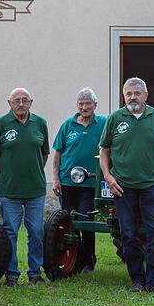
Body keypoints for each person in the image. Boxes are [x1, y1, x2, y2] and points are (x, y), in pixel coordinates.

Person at [98, 77, 154, 297]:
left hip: (152, 185)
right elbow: (104, 150)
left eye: (137, 93)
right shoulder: (115, 118)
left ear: (146, 95)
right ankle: (137, 281)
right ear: (124, 96)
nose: (133, 97)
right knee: (129, 235)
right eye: (129, 94)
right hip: (123, 187)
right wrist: (108, 176)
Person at [0, 87, 50, 286]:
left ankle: (35, 273)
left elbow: (44, 154)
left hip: (36, 190)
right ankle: (12, 275)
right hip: (10, 190)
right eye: (17, 100)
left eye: (25, 100)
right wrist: (5, 174)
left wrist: (33, 172)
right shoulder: (1, 124)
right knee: (9, 233)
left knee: (36, 233)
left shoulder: (40, 123)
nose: (21, 104)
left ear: (31, 102)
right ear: (9, 103)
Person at [52, 87, 107, 274]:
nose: (84, 107)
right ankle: (70, 259)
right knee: (68, 221)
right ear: (77, 106)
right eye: (81, 104)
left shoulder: (103, 124)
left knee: (86, 220)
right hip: (68, 182)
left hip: (91, 183)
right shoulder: (68, 125)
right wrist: (56, 180)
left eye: (88, 104)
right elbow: (58, 153)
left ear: (95, 105)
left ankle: (88, 261)